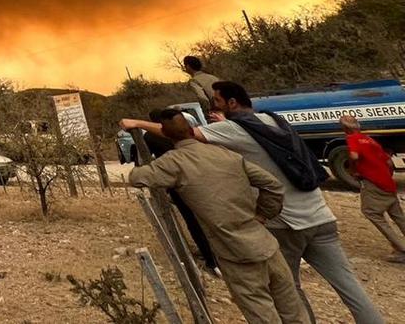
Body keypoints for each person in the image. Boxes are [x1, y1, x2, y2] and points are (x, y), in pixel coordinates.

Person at [124, 81, 384, 324]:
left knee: (285, 293)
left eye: (216, 101)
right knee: (350, 288)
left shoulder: (233, 130)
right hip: (320, 214)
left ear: (232, 103)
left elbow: (184, 135)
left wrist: (137, 122)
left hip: (286, 224)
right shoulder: (272, 119)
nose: (213, 106)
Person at [128, 111, 307, 324]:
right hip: (266, 244)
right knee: (294, 311)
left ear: (165, 134)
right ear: (192, 129)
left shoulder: (174, 162)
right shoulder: (226, 154)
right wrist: (262, 215)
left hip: (233, 251)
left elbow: (137, 178)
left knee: (261, 313)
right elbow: (273, 186)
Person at [144, 108, 220, 274]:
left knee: (192, 221)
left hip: (175, 181)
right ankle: (219, 255)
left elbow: (145, 161)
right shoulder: (183, 132)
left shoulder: (149, 136)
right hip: (198, 176)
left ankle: (210, 260)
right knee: (209, 215)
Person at [340, 115, 405, 261]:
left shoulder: (352, 139)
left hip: (374, 182)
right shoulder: (369, 139)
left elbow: (354, 156)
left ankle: (401, 248)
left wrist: (353, 169)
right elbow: (388, 161)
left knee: (371, 212)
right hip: (387, 182)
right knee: (398, 215)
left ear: (344, 128)